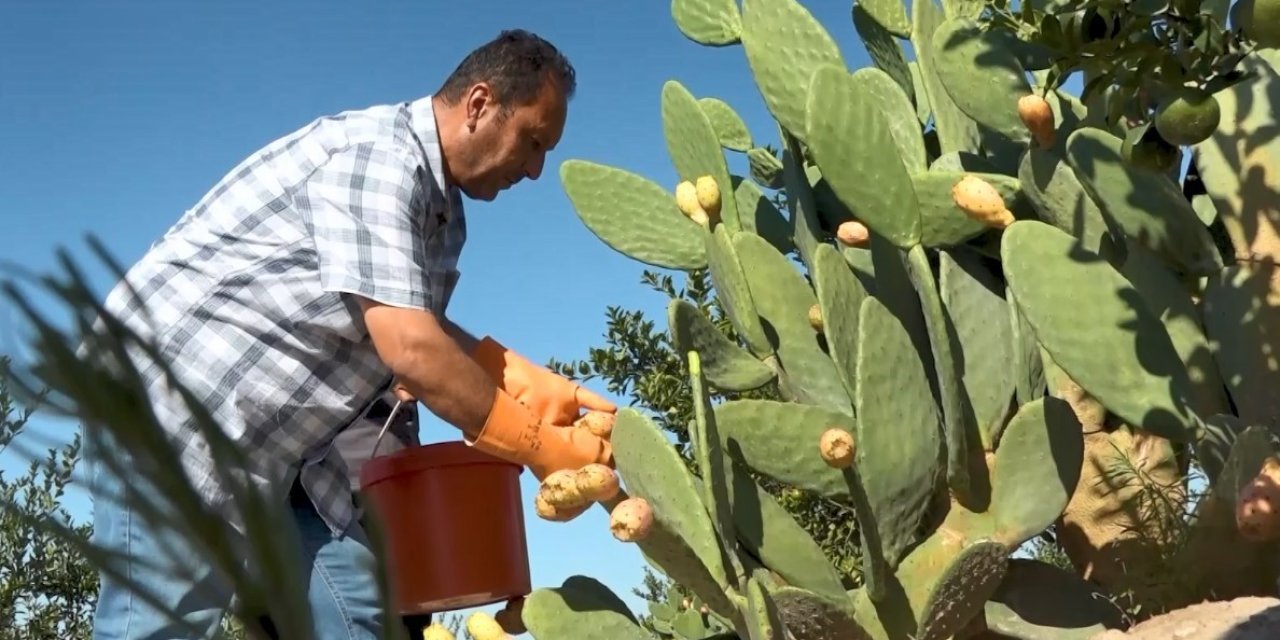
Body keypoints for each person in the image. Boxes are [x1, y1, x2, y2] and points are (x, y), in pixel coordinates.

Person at [83, 28, 616, 640]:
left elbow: (411, 325)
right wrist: (538, 445)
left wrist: (516, 375)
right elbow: (411, 350)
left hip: (276, 451)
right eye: (532, 141)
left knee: (357, 610)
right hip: (174, 401)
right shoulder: (378, 159)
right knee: (159, 627)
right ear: (479, 105)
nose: (536, 169)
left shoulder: (443, 217)